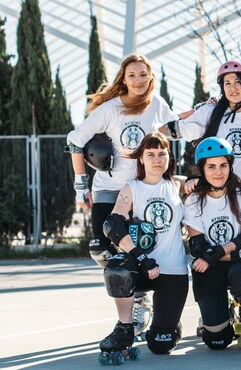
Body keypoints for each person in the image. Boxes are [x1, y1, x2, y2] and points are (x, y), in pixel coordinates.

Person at [66, 53, 178, 335]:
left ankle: (139, 297)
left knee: (139, 245)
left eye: (143, 74)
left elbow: (173, 133)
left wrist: (205, 111)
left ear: (150, 77)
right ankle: (137, 292)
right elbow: (75, 140)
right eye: (132, 75)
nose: (138, 80)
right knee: (101, 248)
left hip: (140, 189)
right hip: (108, 188)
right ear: (123, 79)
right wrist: (81, 185)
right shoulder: (111, 108)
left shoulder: (158, 105)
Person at [99, 132, 188, 360]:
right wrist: (140, 257)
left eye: (162, 153)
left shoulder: (178, 185)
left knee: (160, 345)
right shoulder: (132, 188)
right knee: (117, 266)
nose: (157, 159)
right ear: (141, 158)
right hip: (144, 266)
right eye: (150, 154)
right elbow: (112, 225)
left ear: (169, 156)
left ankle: (169, 323)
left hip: (173, 270)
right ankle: (125, 328)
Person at [162, 60, 241, 219]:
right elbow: (171, 130)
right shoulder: (210, 111)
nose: (232, 88)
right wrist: (194, 111)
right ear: (222, 88)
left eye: (237, 82)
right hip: (219, 190)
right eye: (227, 83)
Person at [184, 136, 241, 350]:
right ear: (202, 168)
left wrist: (218, 252)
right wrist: (237, 254)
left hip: (235, 264)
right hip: (215, 265)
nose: (218, 172)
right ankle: (225, 314)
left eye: (223, 165)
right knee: (217, 342)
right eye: (211, 166)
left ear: (230, 166)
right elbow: (198, 247)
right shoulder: (193, 199)